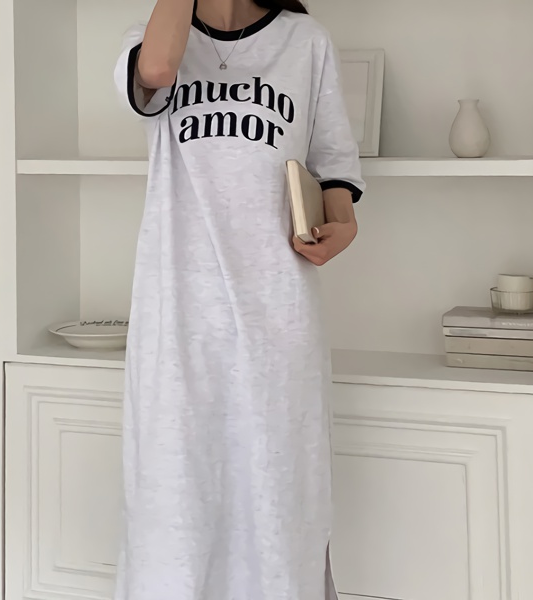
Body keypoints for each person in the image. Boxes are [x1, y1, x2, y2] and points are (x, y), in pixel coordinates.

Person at [113, 0, 365, 598]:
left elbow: (332, 164)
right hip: (177, 318)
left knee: (280, 502)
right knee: (174, 504)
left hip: (279, 314)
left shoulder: (306, 41)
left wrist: (342, 225)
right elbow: (158, 69)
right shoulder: (151, 37)